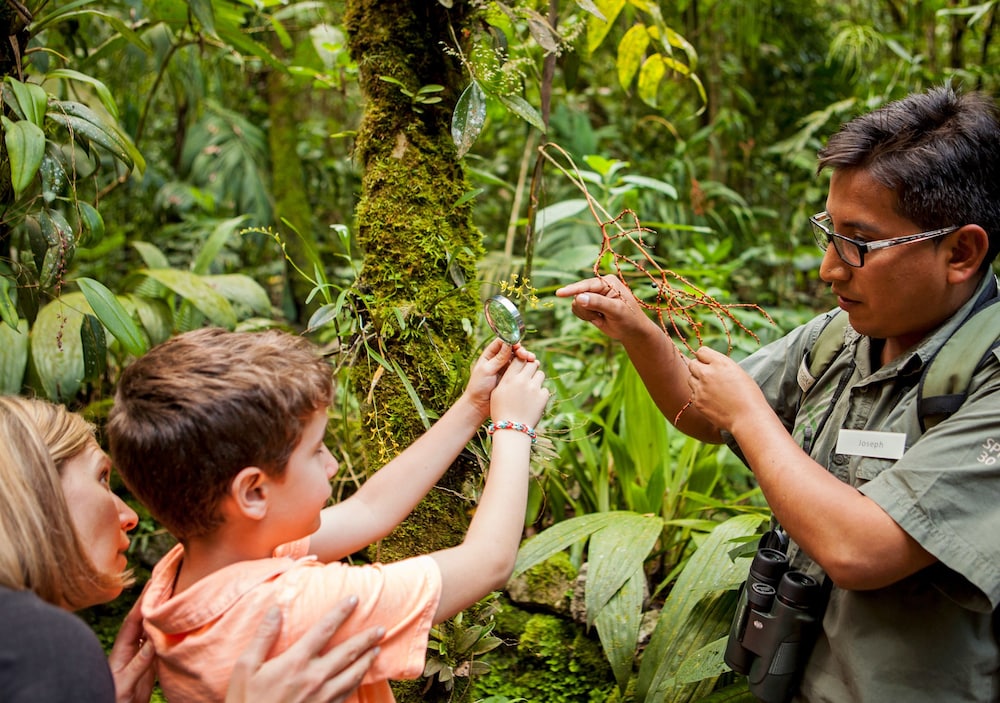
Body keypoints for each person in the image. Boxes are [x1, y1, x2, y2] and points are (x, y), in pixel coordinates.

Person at [556, 85, 1000, 702]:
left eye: (860, 243)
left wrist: (749, 415)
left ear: (961, 252)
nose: (829, 269)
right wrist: (638, 329)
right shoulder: (843, 336)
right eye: (830, 232)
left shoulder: (989, 379)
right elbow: (703, 411)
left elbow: (862, 549)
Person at [106, 328, 549, 702]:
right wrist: (514, 427)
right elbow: (488, 560)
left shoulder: (187, 573)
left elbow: (369, 510)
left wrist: (473, 406)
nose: (333, 464)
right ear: (254, 492)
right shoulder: (294, 606)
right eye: (316, 450)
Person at [0, 394, 383, 703]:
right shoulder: (42, 646)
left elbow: (369, 511)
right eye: (101, 476)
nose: (128, 515)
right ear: (34, 490)